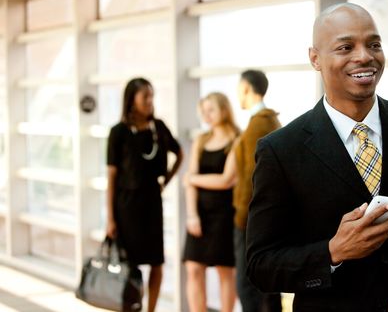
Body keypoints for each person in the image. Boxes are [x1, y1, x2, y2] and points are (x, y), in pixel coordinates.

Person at [245, 3, 388, 311]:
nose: (364, 56)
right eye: (346, 47)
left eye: (374, 44)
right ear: (315, 59)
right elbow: (261, 265)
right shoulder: (281, 150)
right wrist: (332, 251)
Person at [186, 70, 282, 312]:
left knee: (246, 285)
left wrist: (241, 216)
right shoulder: (261, 123)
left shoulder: (254, 128)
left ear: (247, 89)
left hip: (243, 218)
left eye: (239, 88)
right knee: (257, 286)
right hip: (243, 217)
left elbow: (246, 178)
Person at [106, 77, 184, 312]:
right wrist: (110, 218)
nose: (150, 101)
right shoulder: (118, 132)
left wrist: (165, 182)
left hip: (152, 202)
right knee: (130, 265)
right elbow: (111, 178)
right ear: (132, 100)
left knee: (157, 261)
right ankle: (131, 307)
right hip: (126, 206)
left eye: (152, 96)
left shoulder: (158, 128)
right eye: (145, 97)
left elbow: (179, 154)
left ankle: (151, 310)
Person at [182, 92, 240, 312]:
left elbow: (227, 180)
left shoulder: (237, 139)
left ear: (224, 109)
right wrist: (191, 215)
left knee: (225, 271)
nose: (206, 115)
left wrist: (192, 178)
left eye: (211, 110)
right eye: (203, 111)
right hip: (199, 214)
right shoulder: (201, 140)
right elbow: (190, 185)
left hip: (224, 215)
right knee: (194, 269)